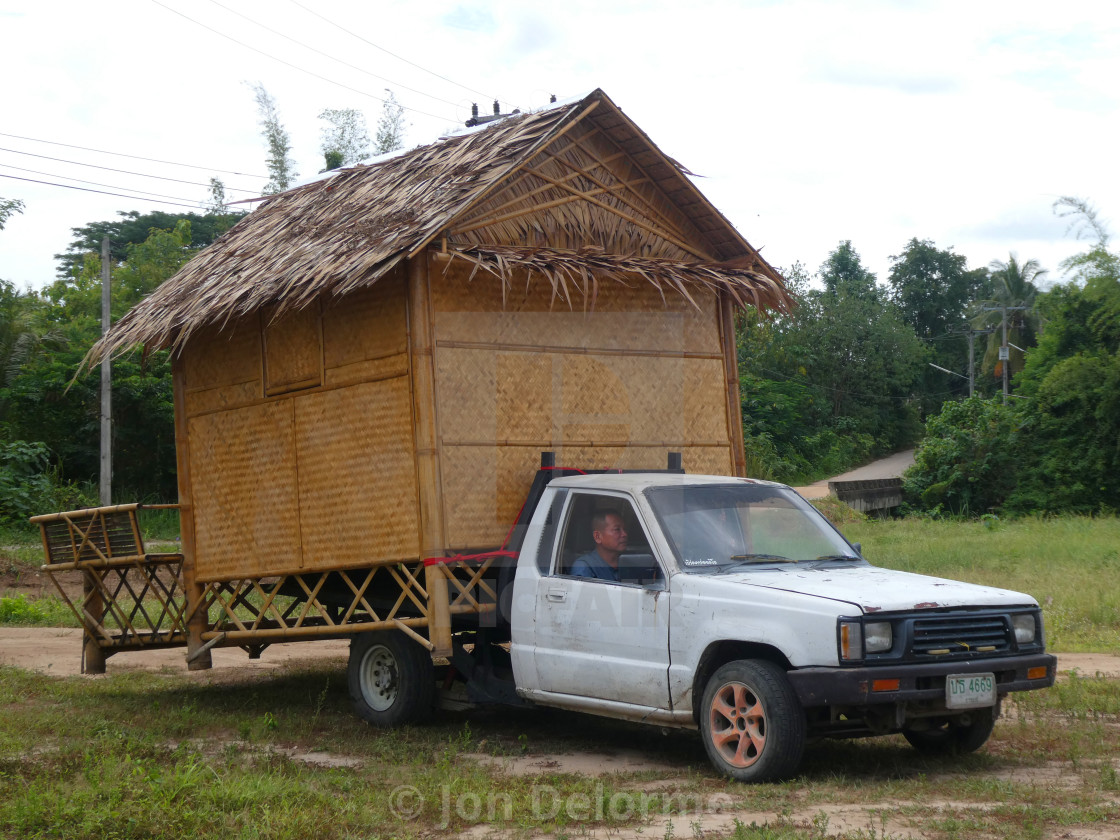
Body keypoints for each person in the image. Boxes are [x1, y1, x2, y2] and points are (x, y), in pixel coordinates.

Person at [570, 509, 628, 581]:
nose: (624, 534)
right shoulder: (585, 567)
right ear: (597, 536)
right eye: (617, 529)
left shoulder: (630, 563)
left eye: (624, 529)